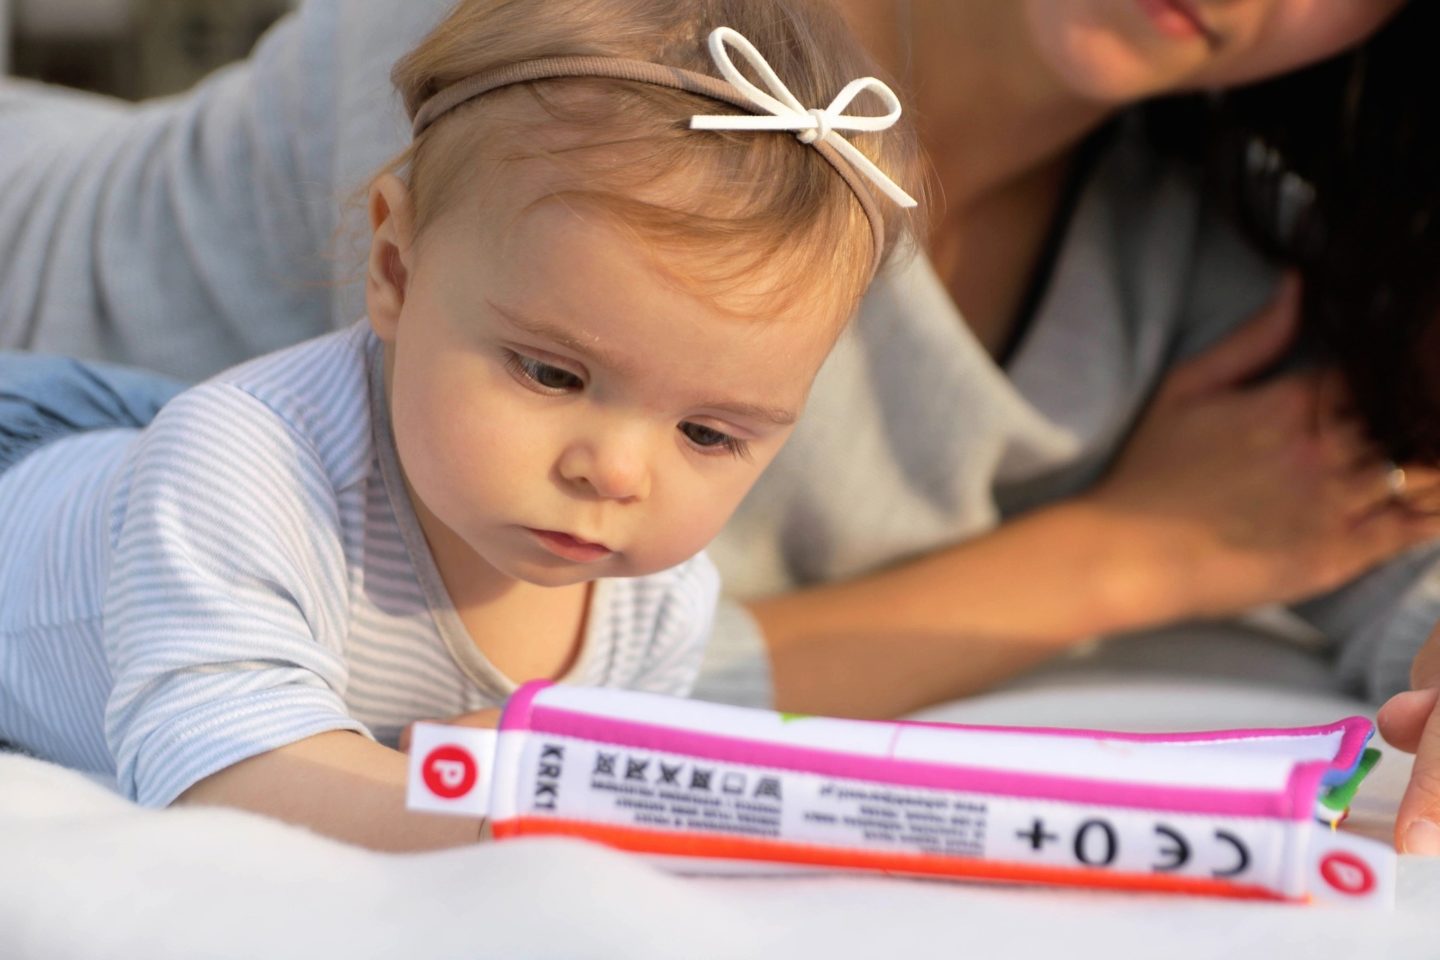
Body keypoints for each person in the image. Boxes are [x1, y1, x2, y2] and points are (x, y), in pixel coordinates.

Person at [4, 0, 1439, 854]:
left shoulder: (1196, 267)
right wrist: (1121, 561)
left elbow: (1403, 539)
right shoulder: (582, 80)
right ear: (388, 261)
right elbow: (467, 665)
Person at [0, 0, 924, 850]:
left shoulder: (657, 601)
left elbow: (528, 774)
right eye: (552, 373)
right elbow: (224, 771)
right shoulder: (247, 474)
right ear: (396, 269)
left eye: (709, 435)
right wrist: (494, 823)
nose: (617, 472)